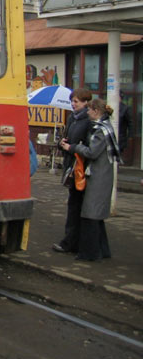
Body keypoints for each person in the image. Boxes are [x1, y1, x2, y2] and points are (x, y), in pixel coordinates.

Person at [59, 98, 121, 260]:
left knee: (90, 214)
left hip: (98, 176)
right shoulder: (103, 127)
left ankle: (90, 253)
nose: (87, 112)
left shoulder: (101, 130)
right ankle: (103, 250)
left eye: (89, 110)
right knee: (96, 216)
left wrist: (73, 147)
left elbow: (92, 152)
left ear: (95, 111)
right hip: (99, 174)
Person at [52, 87, 92, 254]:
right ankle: (73, 241)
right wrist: (64, 143)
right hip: (71, 166)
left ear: (85, 102)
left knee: (76, 206)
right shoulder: (72, 119)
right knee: (74, 204)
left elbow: (89, 147)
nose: (73, 104)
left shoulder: (88, 121)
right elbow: (70, 138)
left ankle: (70, 242)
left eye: (76, 101)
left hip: (80, 169)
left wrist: (71, 146)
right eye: (72, 101)